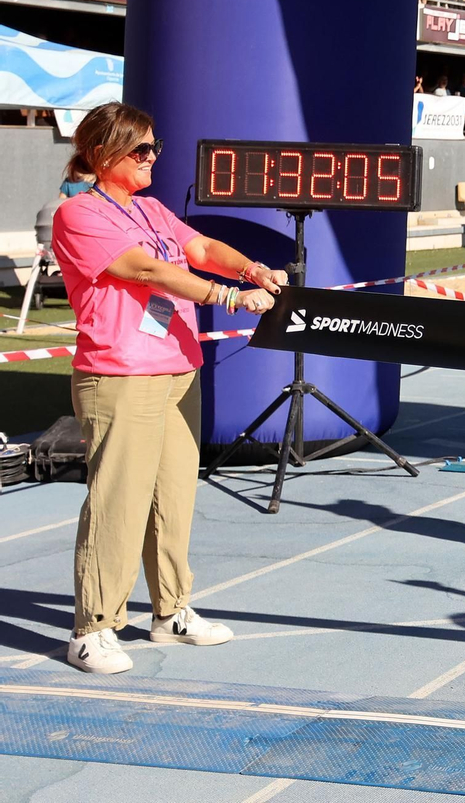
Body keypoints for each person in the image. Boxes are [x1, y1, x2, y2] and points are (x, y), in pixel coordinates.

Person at [50, 103, 286, 675]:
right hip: (120, 374)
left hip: (177, 369)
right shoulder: (79, 215)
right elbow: (145, 271)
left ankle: (171, 612)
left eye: (156, 147)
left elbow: (201, 248)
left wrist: (252, 269)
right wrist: (228, 297)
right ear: (104, 154)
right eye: (142, 150)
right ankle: (94, 628)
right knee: (118, 502)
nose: (154, 157)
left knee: (173, 499)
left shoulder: (153, 209)